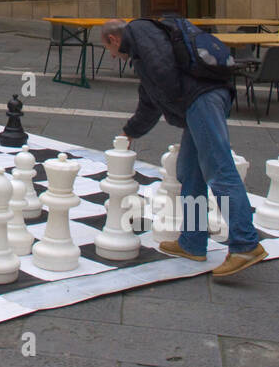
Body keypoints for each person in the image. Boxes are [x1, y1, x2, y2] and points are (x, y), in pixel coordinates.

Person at [98, 18, 266, 278]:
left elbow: (164, 76)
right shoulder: (142, 51)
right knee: (190, 171)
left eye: (108, 50)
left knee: (219, 169)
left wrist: (178, 107)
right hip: (198, 100)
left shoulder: (140, 32)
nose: (112, 57)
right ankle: (193, 242)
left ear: (114, 39)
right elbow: (150, 101)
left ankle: (245, 243)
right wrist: (130, 131)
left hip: (201, 99)